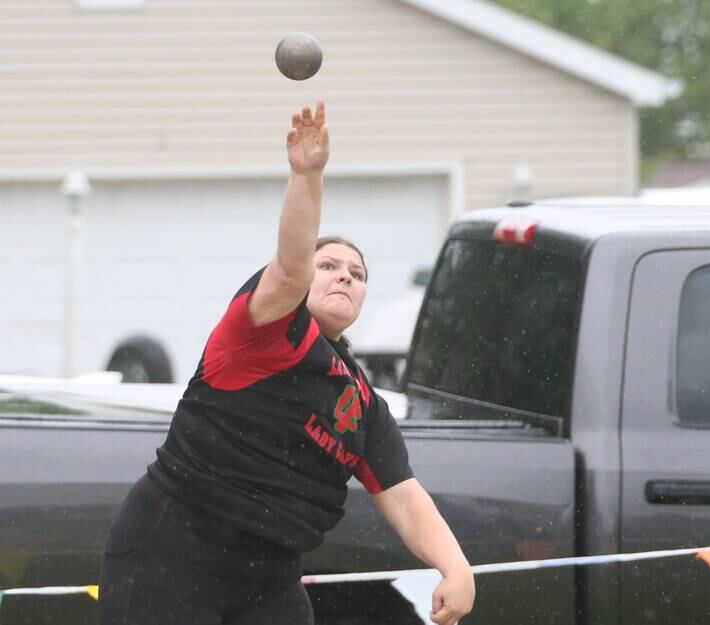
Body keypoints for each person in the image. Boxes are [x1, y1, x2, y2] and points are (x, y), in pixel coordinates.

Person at [99, 101, 475, 625]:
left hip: (268, 574)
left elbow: (404, 496)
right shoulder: (266, 331)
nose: (345, 276)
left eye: (358, 273)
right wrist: (307, 176)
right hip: (174, 549)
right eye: (331, 265)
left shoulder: (363, 403)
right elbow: (290, 269)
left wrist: (456, 568)